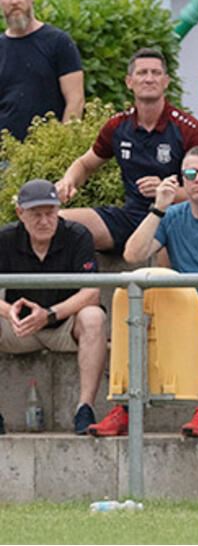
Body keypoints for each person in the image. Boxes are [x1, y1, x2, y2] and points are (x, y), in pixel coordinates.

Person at [103, 146, 198, 438]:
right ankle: (124, 407)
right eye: (190, 174)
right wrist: (159, 207)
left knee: (196, 315)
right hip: (181, 306)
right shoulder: (173, 215)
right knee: (133, 312)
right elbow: (133, 254)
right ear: (182, 180)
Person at [56, 48, 198, 254]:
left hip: (176, 218)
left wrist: (166, 193)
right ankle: (78, 285)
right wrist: (67, 181)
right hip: (131, 217)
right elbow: (85, 164)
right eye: (142, 73)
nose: (149, 79)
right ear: (129, 82)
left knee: (162, 253)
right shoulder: (117, 126)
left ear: (166, 82)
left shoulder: (189, 129)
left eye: (156, 73)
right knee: (57, 223)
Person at [0, 180, 104, 435]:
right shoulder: (5, 238)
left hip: (63, 324)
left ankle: (85, 408)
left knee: (94, 317)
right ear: (20, 214)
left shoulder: (78, 235)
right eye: (36, 215)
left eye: (50, 213)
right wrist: (8, 312)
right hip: (19, 326)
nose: (44, 221)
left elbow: (92, 291)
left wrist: (50, 314)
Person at [0, 0, 84, 141]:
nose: (14, 1)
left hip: (45, 154)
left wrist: (61, 144)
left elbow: (76, 100)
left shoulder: (59, 42)